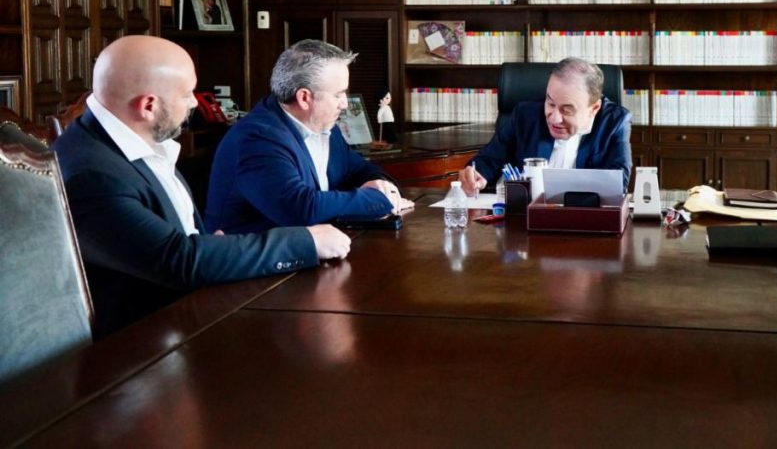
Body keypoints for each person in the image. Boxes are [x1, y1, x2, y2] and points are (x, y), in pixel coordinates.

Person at [52, 36, 351, 337]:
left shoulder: (128, 138)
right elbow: (178, 260)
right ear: (148, 106)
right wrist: (306, 241)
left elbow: (184, 243)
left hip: (187, 312)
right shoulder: (91, 175)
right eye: (187, 94)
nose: (195, 103)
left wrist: (210, 247)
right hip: (143, 343)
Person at [206, 39, 412, 235]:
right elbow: (301, 208)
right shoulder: (258, 139)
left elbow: (358, 169)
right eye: (338, 94)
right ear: (304, 98)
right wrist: (378, 199)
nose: (345, 104)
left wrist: (383, 185)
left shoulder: (325, 125)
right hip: (257, 258)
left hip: (317, 247)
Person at [459, 57, 632, 194]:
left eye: (567, 110)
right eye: (550, 103)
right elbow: (490, 159)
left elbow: (618, 183)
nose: (555, 119)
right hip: (526, 217)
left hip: (584, 219)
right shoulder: (525, 115)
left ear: (594, 109)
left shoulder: (615, 122)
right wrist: (476, 174)